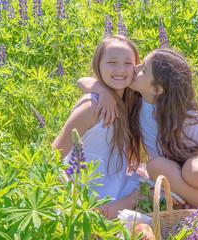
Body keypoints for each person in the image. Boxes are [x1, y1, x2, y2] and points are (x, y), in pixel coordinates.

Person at [77, 49, 198, 208]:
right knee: (155, 166)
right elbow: (81, 81)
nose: (135, 68)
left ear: (156, 89)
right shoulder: (135, 100)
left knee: (193, 172)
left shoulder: (183, 117)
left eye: (143, 69)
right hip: (172, 174)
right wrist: (103, 91)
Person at [52, 35, 144, 220]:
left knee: (161, 191)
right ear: (98, 66)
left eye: (128, 63)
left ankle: (109, 212)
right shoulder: (91, 108)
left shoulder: (131, 102)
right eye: (111, 62)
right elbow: (52, 157)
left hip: (112, 184)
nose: (120, 69)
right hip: (82, 188)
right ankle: (100, 216)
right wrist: (73, 198)